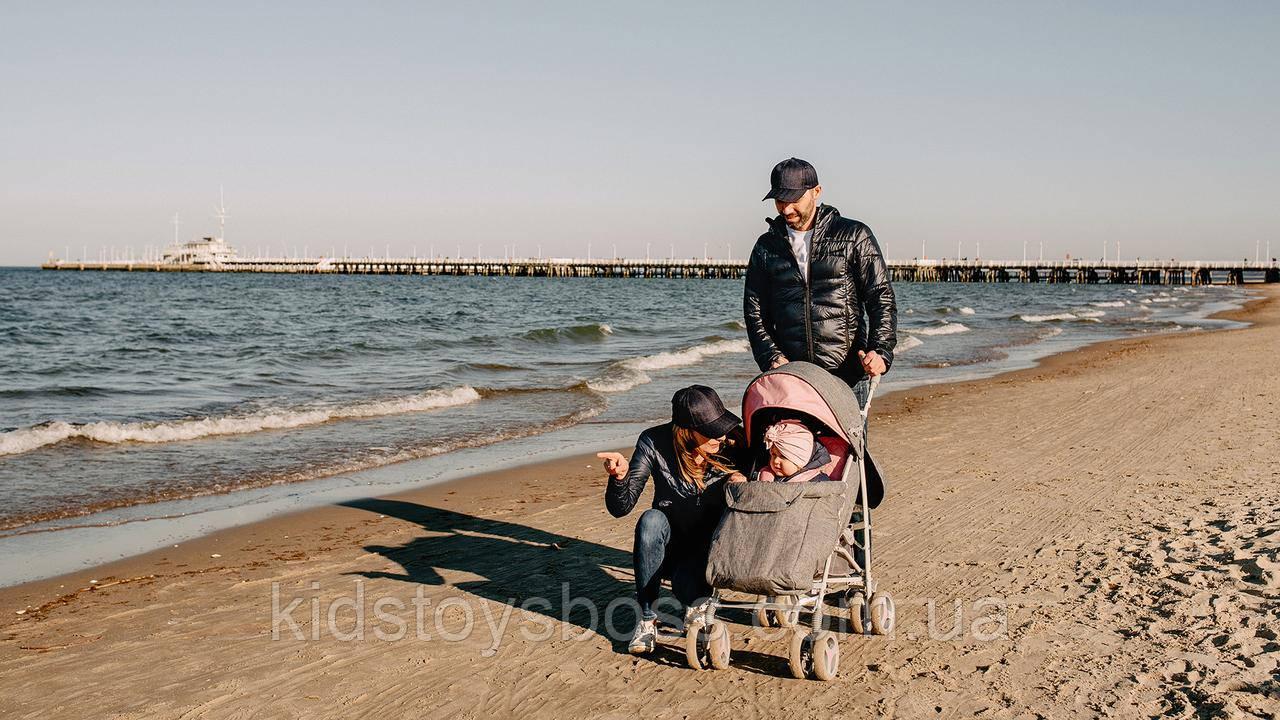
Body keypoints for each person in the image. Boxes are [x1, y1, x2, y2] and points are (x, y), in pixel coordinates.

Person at [596, 385, 748, 655]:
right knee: (650, 520)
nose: (721, 435)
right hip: (667, 546)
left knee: (686, 589)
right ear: (687, 431)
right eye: (712, 431)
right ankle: (646, 619)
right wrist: (619, 478)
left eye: (721, 425)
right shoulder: (653, 442)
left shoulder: (735, 444)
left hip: (707, 551)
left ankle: (696, 603)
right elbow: (620, 508)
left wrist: (743, 483)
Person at [743, 157, 898, 392]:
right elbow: (755, 312)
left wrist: (881, 351)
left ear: (816, 191)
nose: (786, 208)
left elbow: (881, 298)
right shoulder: (766, 247)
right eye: (779, 200)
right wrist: (770, 357)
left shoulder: (854, 235)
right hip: (791, 378)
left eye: (794, 199)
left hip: (848, 377)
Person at [759, 419, 832, 483]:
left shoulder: (817, 482)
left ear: (800, 460)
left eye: (783, 456)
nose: (775, 461)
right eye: (773, 455)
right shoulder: (766, 475)